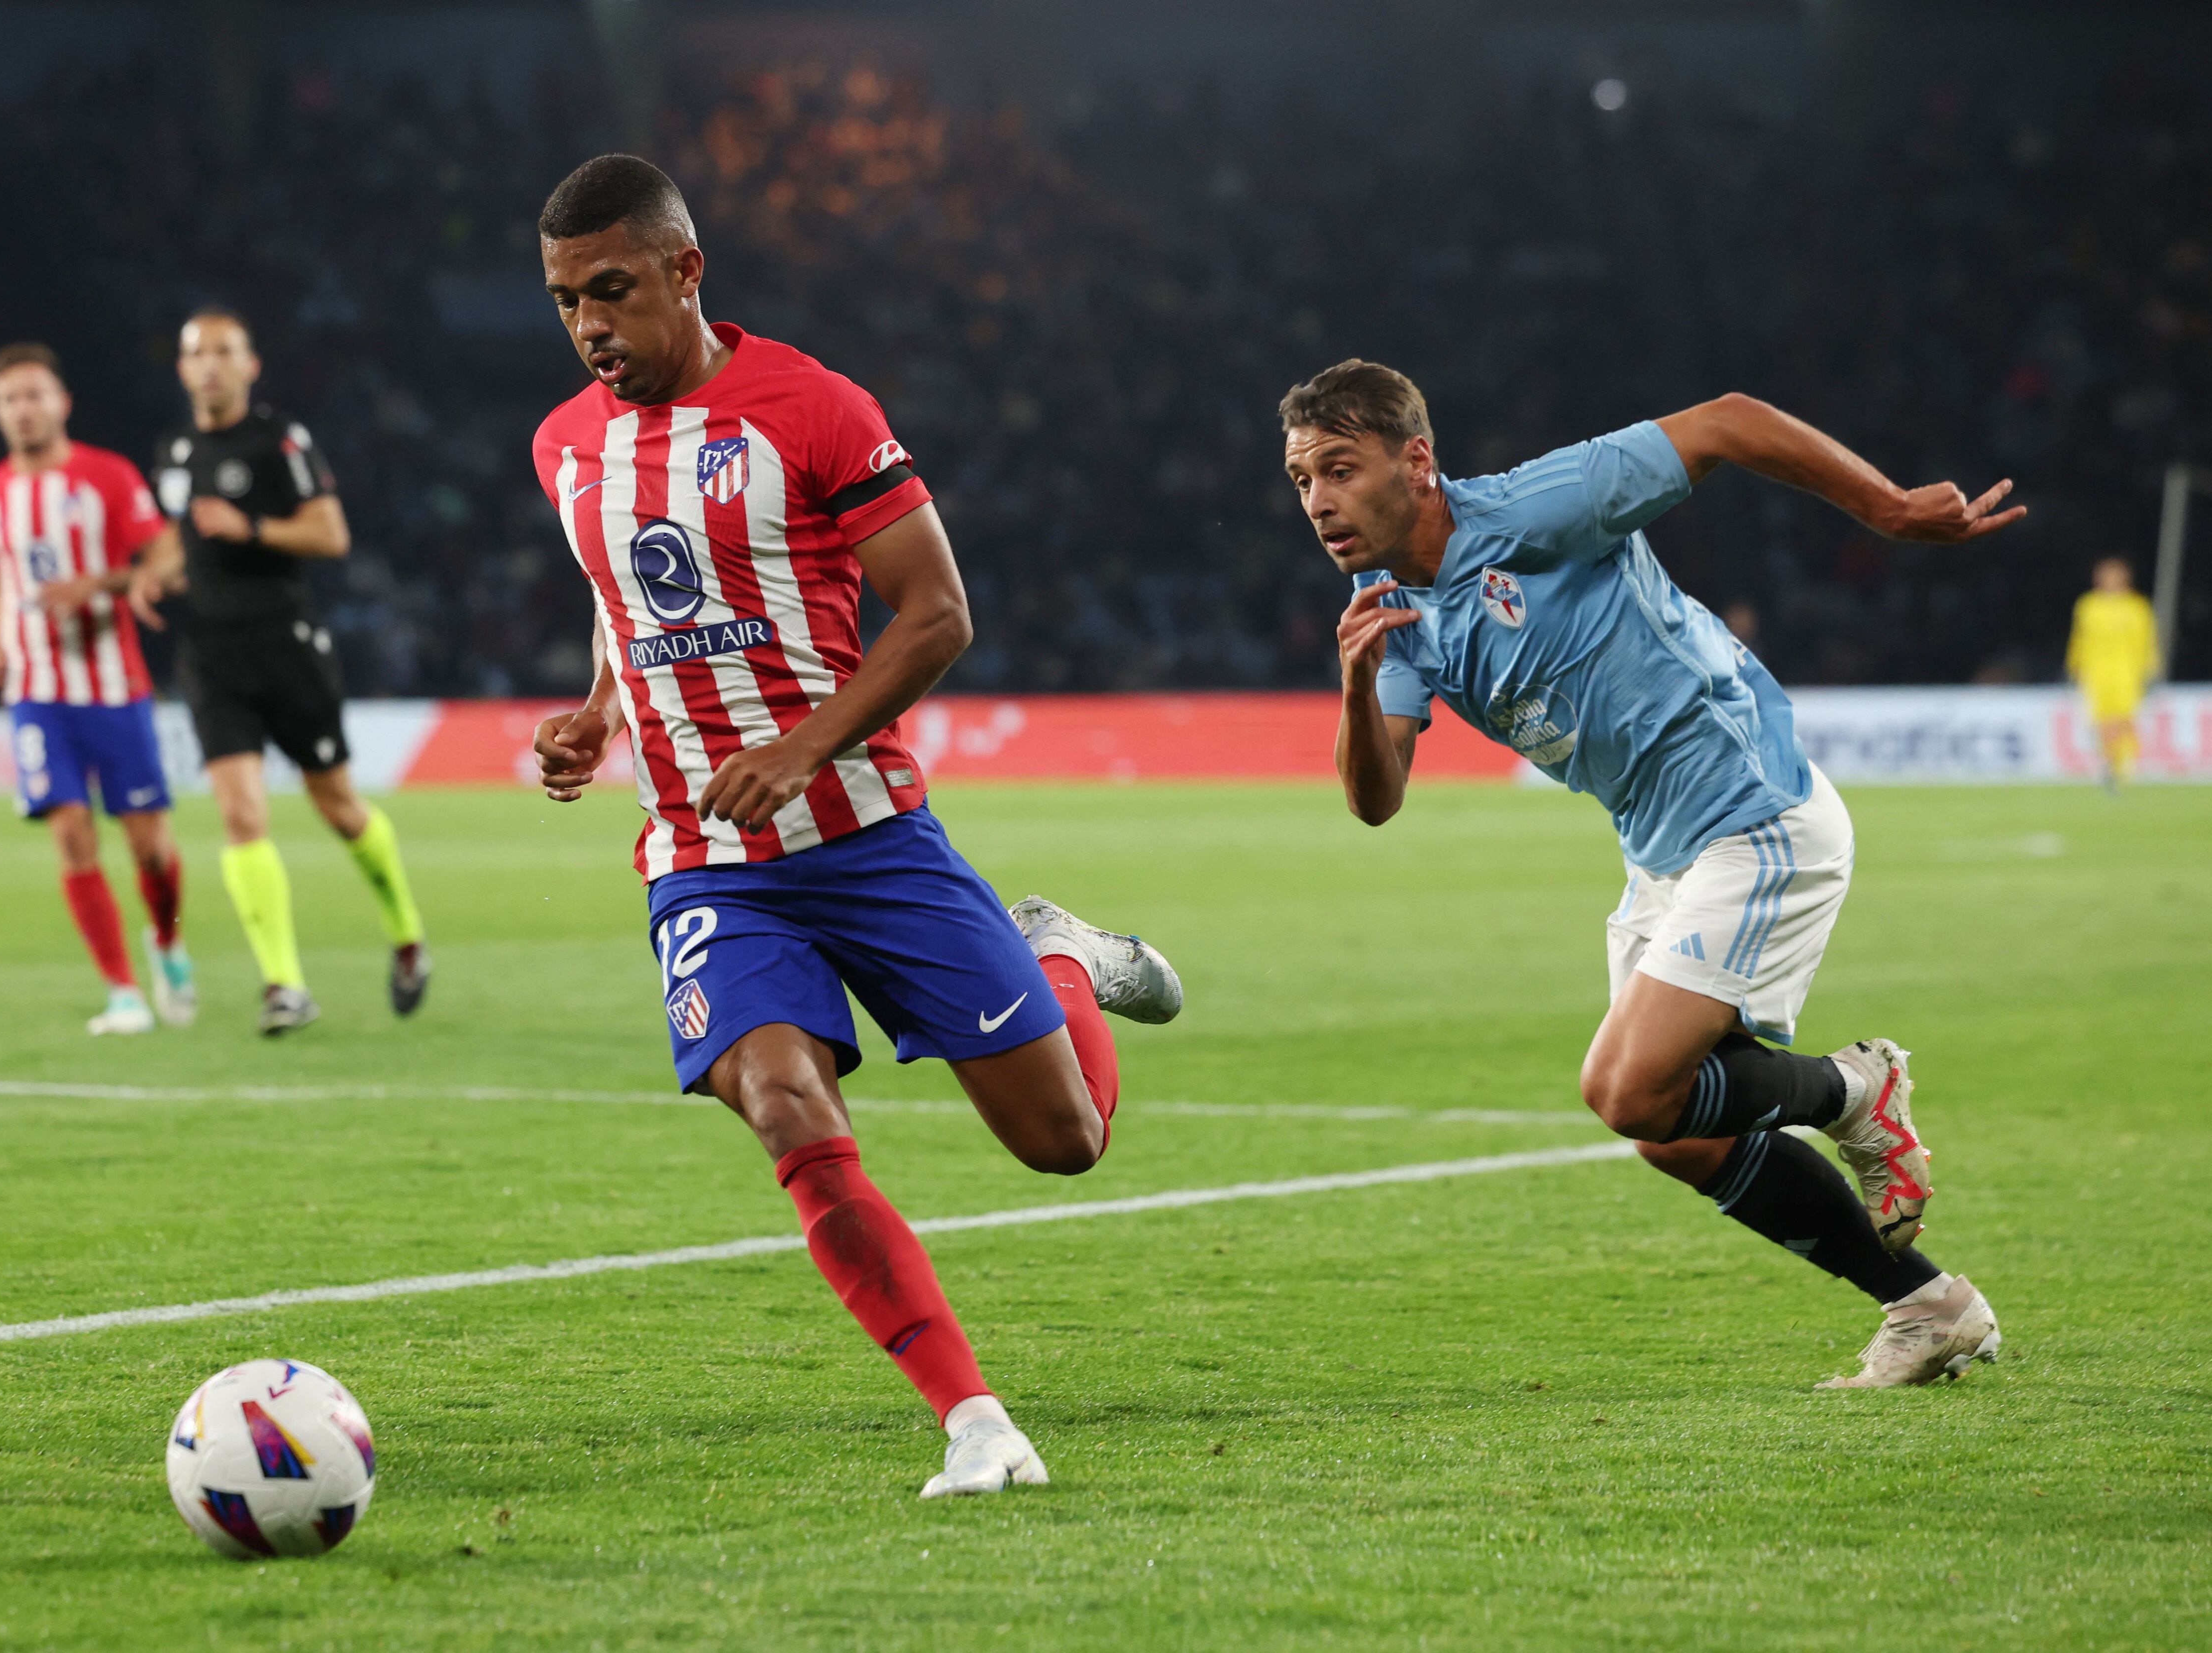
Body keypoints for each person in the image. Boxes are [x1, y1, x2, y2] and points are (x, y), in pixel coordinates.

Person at [527, 155, 1181, 1496]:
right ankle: (975, 1421)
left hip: (869, 833)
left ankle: (1057, 959)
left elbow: (938, 613)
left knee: (1065, 1141)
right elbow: (623, 597)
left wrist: (802, 745)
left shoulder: (811, 409)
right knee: (780, 1101)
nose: (589, 325)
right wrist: (596, 711)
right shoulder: (564, 444)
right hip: (707, 859)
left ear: (684, 272)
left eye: (612, 291)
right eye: (564, 302)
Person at [1282, 359, 2024, 1389]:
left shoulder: (1537, 507)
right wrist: (1357, 684)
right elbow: (1376, 795)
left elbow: (1725, 422)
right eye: (1300, 480)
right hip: (1662, 853)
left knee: (1626, 1088)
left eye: (1337, 468)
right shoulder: (1386, 610)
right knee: (1675, 1133)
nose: (1316, 501)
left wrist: (1888, 508)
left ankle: (1858, 1086)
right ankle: (1927, 1304)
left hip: (1754, 812)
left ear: (1414, 462)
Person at [150, 309, 428, 1036]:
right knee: (241, 814)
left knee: (337, 806)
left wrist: (252, 527)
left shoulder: (280, 440)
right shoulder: (174, 451)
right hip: (210, 656)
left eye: (223, 352)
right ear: (182, 370)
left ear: (250, 365)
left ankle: (406, 934)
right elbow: (182, 543)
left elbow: (331, 533)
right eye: (196, 354)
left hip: (285, 643)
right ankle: (284, 984)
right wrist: (150, 576)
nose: (209, 364)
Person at [0, 342, 194, 1035]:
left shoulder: (107, 477)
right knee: (70, 833)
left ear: (62, 401)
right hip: (35, 695)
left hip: (114, 687)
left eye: (34, 395)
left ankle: (168, 943)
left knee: (150, 847)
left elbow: (167, 552)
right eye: (9, 399)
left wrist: (103, 584)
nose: (23, 410)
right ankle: (122, 991)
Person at [2065, 556, 2158, 790]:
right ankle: (2109, 765)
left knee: (2125, 718)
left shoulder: (2137, 607)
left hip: (2127, 671)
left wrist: (2151, 667)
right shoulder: (2089, 605)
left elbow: (2147, 641)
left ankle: (2125, 764)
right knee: (2102, 720)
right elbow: (2079, 639)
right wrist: (2074, 665)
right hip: (2096, 671)